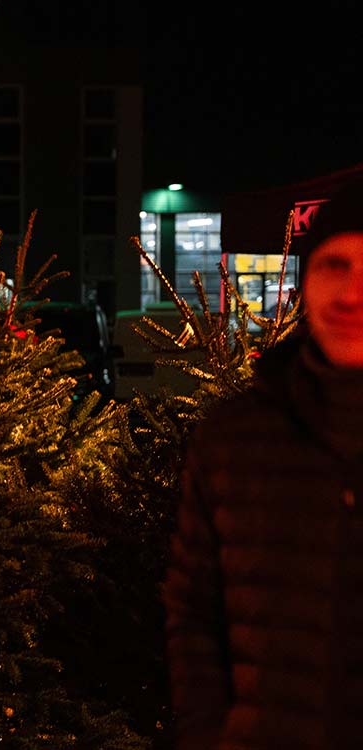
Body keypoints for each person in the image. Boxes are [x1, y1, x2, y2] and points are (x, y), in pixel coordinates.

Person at [162, 190, 363, 749]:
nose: (352, 293)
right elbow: (193, 612)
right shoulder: (234, 437)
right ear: (306, 281)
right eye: (334, 265)